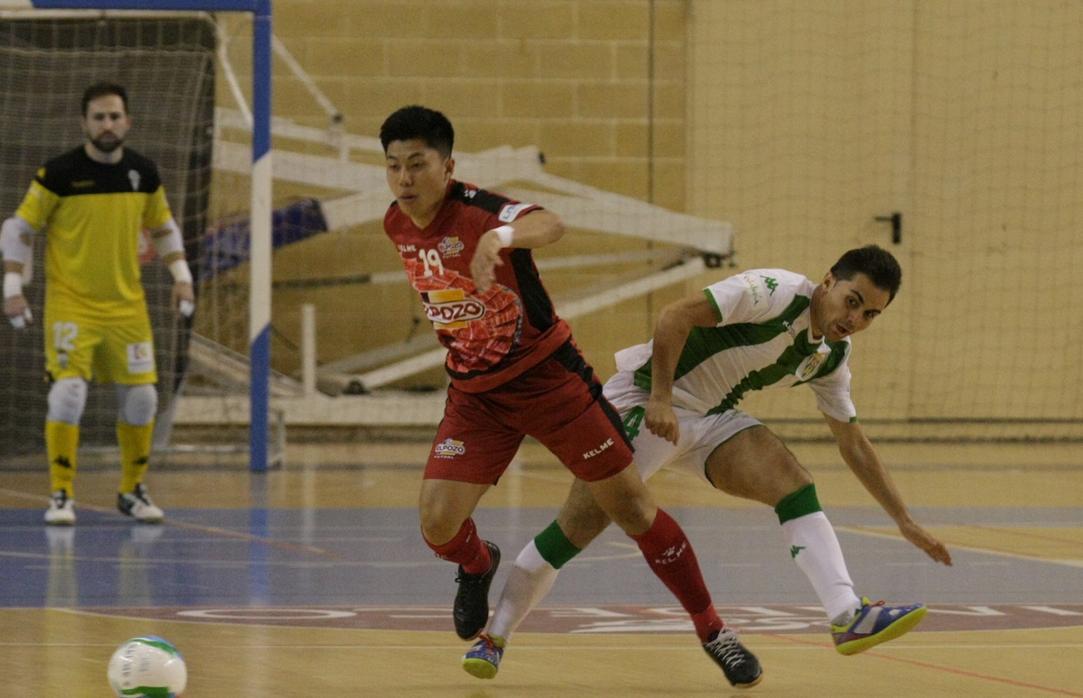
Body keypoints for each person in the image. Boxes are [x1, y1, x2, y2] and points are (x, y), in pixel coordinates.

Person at [379, 105, 762, 688]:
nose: (404, 179)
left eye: (417, 164)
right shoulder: (396, 223)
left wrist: (499, 240)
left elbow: (551, 223)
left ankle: (714, 630)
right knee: (436, 524)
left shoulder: (482, 212)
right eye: (393, 167)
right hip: (476, 397)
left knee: (631, 506)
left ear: (448, 166)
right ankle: (478, 566)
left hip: (548, 381)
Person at [462, 245, 954, 679]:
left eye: (871, 314)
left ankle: (848, 615)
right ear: (828, 281)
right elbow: (675, 315)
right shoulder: (775, 291)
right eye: (853, 301)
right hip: (643, 402)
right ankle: (496, 635)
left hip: (712, 418)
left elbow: (854, 443)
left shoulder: (830, 355)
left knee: (794, 483)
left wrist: (904, 520)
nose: (855, 319)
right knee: (577, 526)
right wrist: (659, 399)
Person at [1, 81, 194, 526]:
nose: (107, 125)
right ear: (84, 122)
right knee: (68, 393)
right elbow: (18, 229)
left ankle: (132, 490)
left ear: (127, 121)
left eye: (114, 116)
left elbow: (163, 227)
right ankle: (61, 494)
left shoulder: (143, 173)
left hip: (127, 308)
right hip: (72, 306)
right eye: (98, 117)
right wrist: (12, 287)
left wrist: (181, 278)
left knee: (144, 398)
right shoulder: (59, 174)